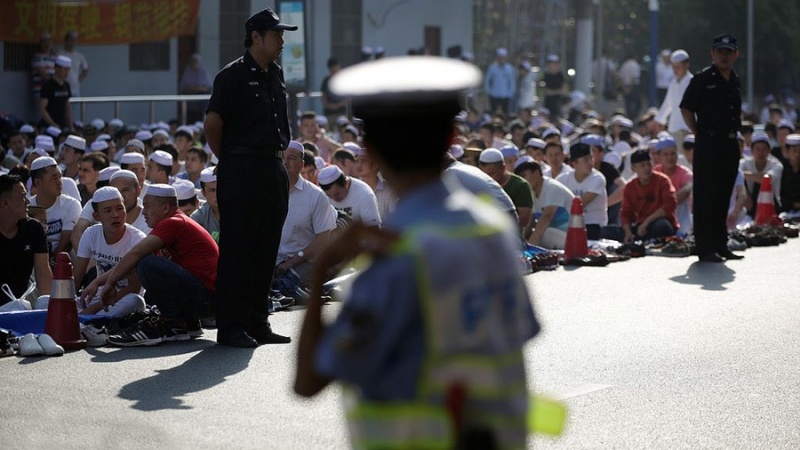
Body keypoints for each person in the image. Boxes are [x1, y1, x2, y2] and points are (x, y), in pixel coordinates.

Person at [294, 56, 539, 450]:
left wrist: (322, 266)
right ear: (451, 139)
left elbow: (308, 381)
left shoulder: (397, 255)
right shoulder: (490, 228)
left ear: (369, 151)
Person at [204, 7, 297, 347]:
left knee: (265, 248)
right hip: (241, 168)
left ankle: (258, 322)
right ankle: (230, 327)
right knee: (238, 250)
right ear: (256, 37)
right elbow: (213, 124)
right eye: (276, 34)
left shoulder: (275, 73)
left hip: (272, 168)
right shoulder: (232, 76)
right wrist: (230, 159)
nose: (282, 40)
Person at [82, 184, 216, 346]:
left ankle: (172, 323)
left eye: (147, 206)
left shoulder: (174, 222)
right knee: (145, 263)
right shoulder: (172, 223)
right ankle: (187, 323)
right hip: (204, 300)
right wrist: (97, 282)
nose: (143, 211)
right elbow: (129, 263)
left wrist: (110, 283)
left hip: (207, 301)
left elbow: (136, 255)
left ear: (165, 207)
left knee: (146, 264)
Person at [680, 34, 744, 262]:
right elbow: (686, 108)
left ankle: (720, 243)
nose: (724, 56)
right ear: (712, 54)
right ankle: (705, 246)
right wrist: (698, 131)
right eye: (720, 52)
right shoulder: (702, 79)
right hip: (708, 141)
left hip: (729, 142)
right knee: (706, 194)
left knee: (723, 194)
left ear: (735, 55)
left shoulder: (735, 79)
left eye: (728, 52)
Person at [72, 187, 146, 317]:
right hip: (96, 298)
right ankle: (90, 320)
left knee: (135, 300)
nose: (115, 215)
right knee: (45, 301)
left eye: (119, 208)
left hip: (122, 299)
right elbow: (76, 278)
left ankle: (91, 321)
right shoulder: (91, 234)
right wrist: (66, 302)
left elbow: (134, 288)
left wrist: (91, 311)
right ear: (96, 216)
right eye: (108, 211)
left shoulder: (138, 239)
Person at [274, 141, 337, 291]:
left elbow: (323, 238)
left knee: (288, 285)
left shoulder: (316, 196)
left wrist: (293, 261)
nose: (285, 162)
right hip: (273, 261)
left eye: (291, 158)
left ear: (302, 165)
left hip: (304, 261)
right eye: (281, 157)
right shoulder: (266, 192)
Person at [0, 174, 52, 305]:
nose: (28, 201)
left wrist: (47, 306)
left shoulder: (34, 229)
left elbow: (42, 272)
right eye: (23, 196)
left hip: (22, 304)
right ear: (5, 202)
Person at [610, 149, 678, 243]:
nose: (646, 168)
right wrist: (628, 232)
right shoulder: (630, 187)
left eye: (648, 164)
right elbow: (625, 213)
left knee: (662, 226)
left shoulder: (662, 180)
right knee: (606, 231)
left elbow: (670, 204)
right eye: (642, 165)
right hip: (640, 227)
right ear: (634, 168)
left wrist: (646, 222)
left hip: (657, 224)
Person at [28, 157, 82, 261]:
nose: (59, 182)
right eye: (54, 178)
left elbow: (66, 244)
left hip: (63, 264)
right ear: (38, 182)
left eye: (60, 177)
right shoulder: (27, 206)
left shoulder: (71, 205)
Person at [515, 160, 575, 249]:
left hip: (573, 236)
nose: (522, 181)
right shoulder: (532, 192)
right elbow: (532, 220)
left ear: (536, 173)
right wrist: (523, 239)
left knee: (544, 234)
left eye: (524, 176)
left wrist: (530, 245)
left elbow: (547, 217)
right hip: (556, 235)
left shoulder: (552, 187)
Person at [556, 143, 608, 239]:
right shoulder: (562, 179)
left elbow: (579, 205)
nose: (590, 163)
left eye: (591, 158)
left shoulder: (597, 178)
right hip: (569, 225)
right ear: (574, 163)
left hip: (593, 226)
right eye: (585, 160)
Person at [478, 148, 533, 231]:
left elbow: (523, 220)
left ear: (503, 168)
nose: (488, 177)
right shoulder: (478, 184)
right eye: (485, 174)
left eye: (492, 173)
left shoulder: (520, 186)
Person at [653, 137, 694, 234]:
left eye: (673, 154)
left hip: (681, 220)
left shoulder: (685, 173)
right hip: (657, 218)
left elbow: (686, 190)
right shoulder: (655, 172)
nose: (670, 158)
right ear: (658, 157)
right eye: (666, 154)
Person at [654, 50, 693, 153]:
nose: (675, 70)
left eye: (678, 67)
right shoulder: (673, 82)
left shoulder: (692, 82)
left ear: (686, 65)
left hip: (686, 128)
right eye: (673, 67)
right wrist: (660, 119)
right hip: (673, 127)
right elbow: (668, 103)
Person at [740, 130, 783, 216]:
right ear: (752, 151)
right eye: (757, 149)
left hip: (773, 206)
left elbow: (766, 178)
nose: (760, 152)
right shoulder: (744, 163)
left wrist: (743, 174)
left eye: (764, 149)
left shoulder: (776, 165)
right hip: (750, 207)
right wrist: (746, 194)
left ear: (769, 150)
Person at [39, 55, 73, 131]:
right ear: (57, 69)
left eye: (68, 70)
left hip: (62, 126)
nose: (67, 72)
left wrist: (71, 126)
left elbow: (67, 107)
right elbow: (42, 108)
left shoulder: (66, 85)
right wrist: (53, 124)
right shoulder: (48, 85)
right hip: (49, 126)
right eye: (65, 69)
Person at [31, 32, 57, 122]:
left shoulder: (54, 58)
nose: (47, 44)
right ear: (41, 44)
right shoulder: (37, 57)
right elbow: (43, 74)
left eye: (49, 42)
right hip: (40, 91)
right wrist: (55, 83)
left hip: (52, 92)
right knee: (40, 115)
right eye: (45, 42)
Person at [179, 54, 212, 123]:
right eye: (192, 61)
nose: (193, 64)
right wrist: (193, 89)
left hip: (202, 100)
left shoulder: (203, 72)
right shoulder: (188, 72)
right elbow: (184, 87)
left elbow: (207, 87)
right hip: (190, 100)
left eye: (195, 62)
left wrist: (197, 89)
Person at [190, 167, 220, 242]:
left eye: (221, 189)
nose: (218, 194)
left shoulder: (240, 213)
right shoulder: (199, 217)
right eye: (212, 190)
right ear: (203, 193)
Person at [484, 47, 516, 115]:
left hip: (506, 95)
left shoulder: (510, 68)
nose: (501, 59)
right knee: (493, 112)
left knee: (505, 113)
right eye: (500, 57)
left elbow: (512, 82)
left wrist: (511, 93)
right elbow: (487, 80)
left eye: (503, 57)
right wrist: (488, 91)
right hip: (494, 94)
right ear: (497, 58)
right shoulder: (492, 68)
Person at [58, 31, 89, 97]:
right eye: (70, 40)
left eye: (74, 40)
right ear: (65, 41)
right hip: (62, 87)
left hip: (75, 88)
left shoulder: (80, 56)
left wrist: (78, 80)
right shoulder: (59, 54)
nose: (72, 43)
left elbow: (86, 69)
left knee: (74, 106)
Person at [321, 58, 348, 126]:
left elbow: (348, 97)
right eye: (332, 70)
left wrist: (338, 105)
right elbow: (323, 96)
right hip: (329, 114)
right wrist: (329, 105)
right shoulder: (326, 81)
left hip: (341, 113)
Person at [542, 54, 567, 121]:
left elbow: (564, 90)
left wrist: (553, 92)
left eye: (552, 63)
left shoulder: (560, 76)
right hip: (548, 102)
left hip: (557, 102)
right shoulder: (547, 75)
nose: (551, 65)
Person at [780, 134, 800, 212]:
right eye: (794, 151)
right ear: (787, 151)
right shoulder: (780, 168)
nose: (798, 154)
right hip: (784, 211)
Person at [619, 54, 641, 119]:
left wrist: (624, 87)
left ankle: (629, 117)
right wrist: (631, 87)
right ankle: (633, 117)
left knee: (628, 105)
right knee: (638, 104)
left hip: (625, 86)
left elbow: (621, 77)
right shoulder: (635, 64)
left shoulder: (624, 65)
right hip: (634, 86)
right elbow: (634, 77)